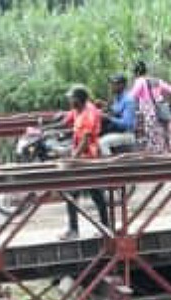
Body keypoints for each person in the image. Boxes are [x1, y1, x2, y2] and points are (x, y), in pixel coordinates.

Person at [56, 86, 109, 240]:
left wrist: (73, 160)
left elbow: (85, 141)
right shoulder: (78, 110)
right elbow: (66, 121)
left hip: (87, 159)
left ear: (78, 99)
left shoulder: (88, 114)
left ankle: (75, 230)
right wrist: (46, 127)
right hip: (82, 159)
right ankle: (103, 227)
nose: (69, 101)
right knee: (92, 194)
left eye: (71, 98)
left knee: (80, 193)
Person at [130, 61, 171, 154]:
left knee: (154, 136)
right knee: (165, 133)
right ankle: (169, 153)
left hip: (150, 113)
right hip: (163, 110)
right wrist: (161, 98)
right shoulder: (156, 80)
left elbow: (132, 96)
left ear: (136, 73)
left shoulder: (140, 81)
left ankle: (159, 155)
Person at [100, 74, 136, 156]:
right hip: (116, 132)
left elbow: (127, 124)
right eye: (111, 83)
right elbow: (116, 111)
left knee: (103, 142)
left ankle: (110, 166)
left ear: (122, 85)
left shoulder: (128, 100)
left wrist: (109, 118)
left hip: (126, 134)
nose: (111, 86)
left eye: (114, 84)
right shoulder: (117, 98)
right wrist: (106, 108)